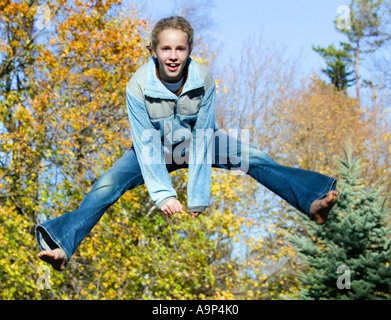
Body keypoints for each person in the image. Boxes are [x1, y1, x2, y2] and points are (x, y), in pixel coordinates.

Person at [36, 16, 339, 271]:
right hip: (152, 145)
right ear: (153, 50)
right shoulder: (138, 85)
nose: (173, 55)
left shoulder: (203, 80)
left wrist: (197, 196)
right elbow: (145, 143)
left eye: (180, 48)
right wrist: (163, 194)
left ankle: (312, 199)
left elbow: (205, 136)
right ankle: (62, 245)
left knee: (253, 157)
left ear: (190, 50)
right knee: (106, 185)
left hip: (198, 141)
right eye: (166, 48)